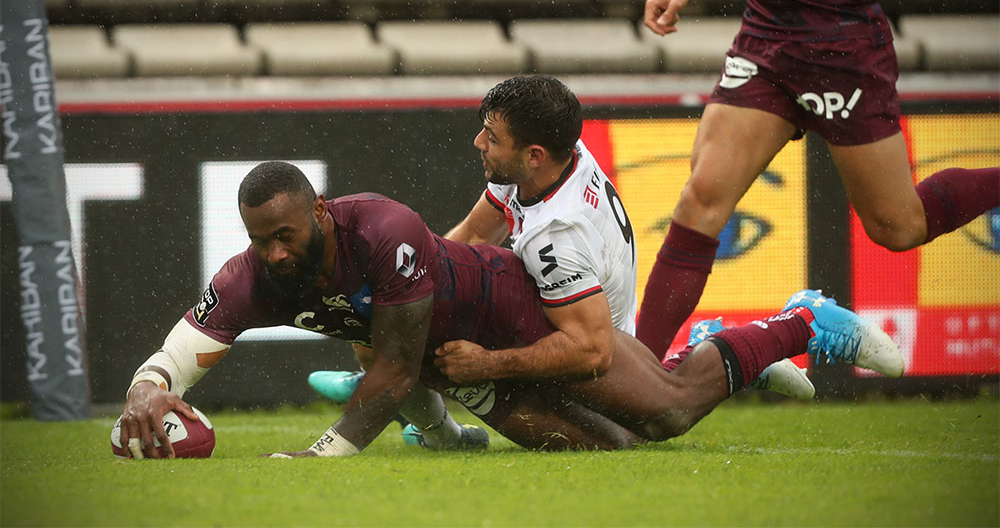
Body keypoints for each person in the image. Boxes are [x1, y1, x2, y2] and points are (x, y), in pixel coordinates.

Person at [117, 161, 903, 459]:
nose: (274, 254)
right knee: (617, 448)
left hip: (518, 319)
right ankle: (705, 350)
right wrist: (149, 388)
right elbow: (190, 340)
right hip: (464, 368)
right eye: (260, 241)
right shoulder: (253, 274)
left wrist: (320, 456)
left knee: (668, 412)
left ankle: (799, 323)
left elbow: (394, 368)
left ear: (319, 212)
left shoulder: (383, 229)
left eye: (285, 236)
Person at [637, 0, 1000, 360]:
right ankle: (638, 373)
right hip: (765, 44)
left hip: (843, 52)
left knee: (898, 227)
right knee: (700, 200)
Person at [310, 76, 812, 402]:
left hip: (594, 349)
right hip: (575, 320)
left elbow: (591, 352)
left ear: (533, 155)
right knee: (414, 304)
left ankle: (784, 329)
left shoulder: (556, 234)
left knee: (634, 429)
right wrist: (412, 288)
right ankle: (410, 401)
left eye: (492, 137)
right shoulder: (546, 161)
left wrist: (487, 364)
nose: (478, 142)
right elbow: (476, 234)